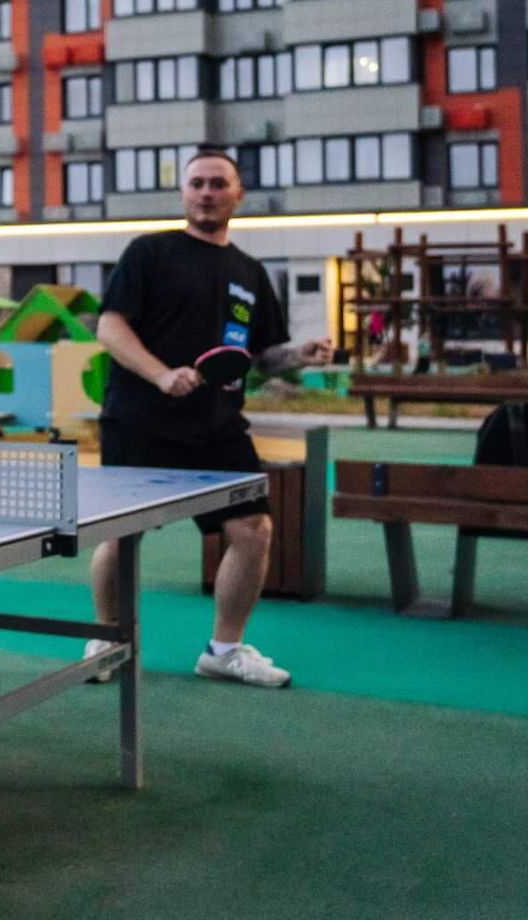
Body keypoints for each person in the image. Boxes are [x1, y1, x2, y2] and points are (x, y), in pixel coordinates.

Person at [83, 149, 331, 688]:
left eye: (218, 183)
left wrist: (299, 355)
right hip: (140, 419)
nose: (206, 192)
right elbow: (110, 328)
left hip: (217, 425)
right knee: (121, 537)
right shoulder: (150, 252)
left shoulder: (250, 273)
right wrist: (160, 375)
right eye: (196, 183)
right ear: (183, 193)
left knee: (253, 530)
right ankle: (106, 641)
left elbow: (258, 357)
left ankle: (224, 650)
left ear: (238, 194)